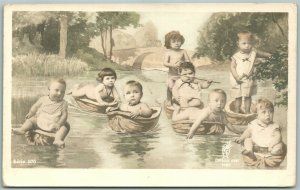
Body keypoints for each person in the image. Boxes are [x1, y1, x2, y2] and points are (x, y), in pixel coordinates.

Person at [12, 79, 70, 148]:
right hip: (41, 121)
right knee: (31, 120)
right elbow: (35, 106)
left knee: (65, 127)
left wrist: (59, 124)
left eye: (62, 92)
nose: (59, 93)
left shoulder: (64, 103)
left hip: (54, 124)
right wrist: (31, 113)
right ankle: (22, 130)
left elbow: (64, 115)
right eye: (56, 90)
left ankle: (57, 139)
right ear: (49, 89)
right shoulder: (43, 99)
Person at [230, 31, 272, 114]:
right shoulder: (236, 56)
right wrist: (236, 77)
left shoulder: (253, 53)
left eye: (249, 43)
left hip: (249, 78)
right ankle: (237, 111)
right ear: (238, 44)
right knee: (238, 96)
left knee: (248, 96)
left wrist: (271, 56)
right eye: (244, 43)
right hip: (238, 79)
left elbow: (263, 54)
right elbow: (232, 67)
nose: (247, 45)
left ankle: (247, 111)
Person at [163, 31, 191, 105]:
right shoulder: (168, 52)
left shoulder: (183, 51)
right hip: (171, 76)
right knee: (170, 87)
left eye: (178, 41)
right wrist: (173, 65)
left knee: (182, 87)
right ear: (169, 43)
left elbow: (188, 61)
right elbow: (165, 63)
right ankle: (169, 99)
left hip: (181, 75)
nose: (177, 43)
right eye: (174, 41)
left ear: (181, 42)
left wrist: (183, 64)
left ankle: (181, 100)